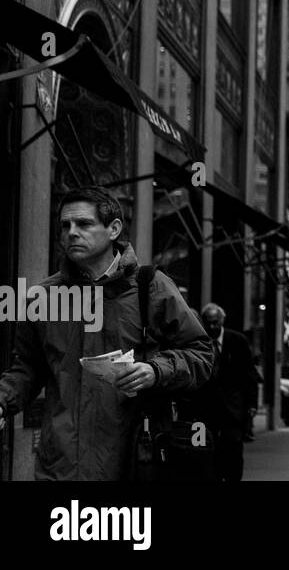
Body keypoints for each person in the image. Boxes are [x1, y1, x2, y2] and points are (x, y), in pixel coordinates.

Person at [0, 186, 214, 479]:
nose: (71, 232)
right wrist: (3, 399)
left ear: (114, 229)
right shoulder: (43, 297)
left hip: (134, 461)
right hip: (60, 465)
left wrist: (155, 370)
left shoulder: (150, 287)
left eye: (84, 224)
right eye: (65, 225)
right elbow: (26, 369)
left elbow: (202, 354)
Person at [190, 303, 259, 481]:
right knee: (208, 454)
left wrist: (251, 404)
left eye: (215, 323)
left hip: (232, 409)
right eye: (208, 323)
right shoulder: (199, 341)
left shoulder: (237, 341)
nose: (212, 327)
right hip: (206, 410)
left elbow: (249, 375)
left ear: (222, 321)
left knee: (233, 452)